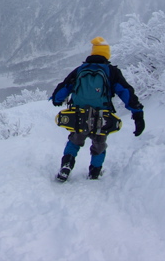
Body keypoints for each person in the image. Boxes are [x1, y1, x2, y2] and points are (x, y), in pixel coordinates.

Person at [50, 37, 145, 181]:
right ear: (107, 55)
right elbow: (126, 92)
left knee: (74, 141)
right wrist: (137, 113)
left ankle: (67, 165)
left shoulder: (81, 70)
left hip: (79, 115)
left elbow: (64, 87)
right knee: (99, 144)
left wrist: (57, 99)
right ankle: (94, 172)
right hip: (102, 117)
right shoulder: (111, 72)